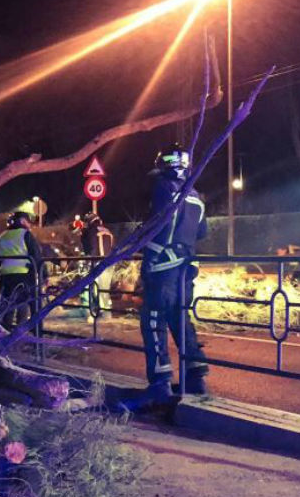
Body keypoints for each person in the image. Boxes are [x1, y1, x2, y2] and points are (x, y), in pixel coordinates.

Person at [125, 143, 209, 411]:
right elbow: (202, 232)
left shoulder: (163, 187)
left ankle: (160, 384)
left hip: (162, 269)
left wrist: (143, 249)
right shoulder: (196, 195)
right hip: (185, 270)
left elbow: (158, 224)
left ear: (165, 165)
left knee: (152, 322)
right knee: (181, 320)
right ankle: (195, 378)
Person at [0, 211, 45, 329]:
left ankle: (6, 333)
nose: (30, 225)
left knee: (8, 306)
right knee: (23, 305)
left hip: (5, 275)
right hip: (23, 274)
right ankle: (21, 334)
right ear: (22, 221)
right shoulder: (25, 234)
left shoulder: (3, 235)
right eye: (28, 222)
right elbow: (36, 255)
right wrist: (43, 274)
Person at [79, 213, 114, 316]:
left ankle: (100, 312)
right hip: (109, 262)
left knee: (95, 287)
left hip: (98, 263)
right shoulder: (107, 231)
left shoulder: (92, 231)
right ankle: (107, 312)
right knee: (105, 288)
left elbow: (90, 248)